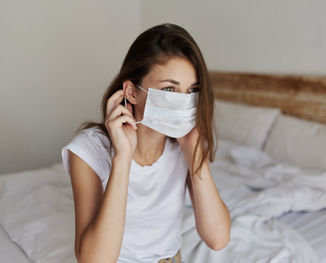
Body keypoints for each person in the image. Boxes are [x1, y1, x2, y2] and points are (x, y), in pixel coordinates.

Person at [61, 23, 231, 263]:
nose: (183, 102)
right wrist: (122, 157)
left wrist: (193, 153)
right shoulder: (88, 150)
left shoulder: (184, 146)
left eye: (192, 90)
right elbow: (94, 260)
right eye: (170, 89)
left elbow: (218, 238)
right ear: (131, 92)